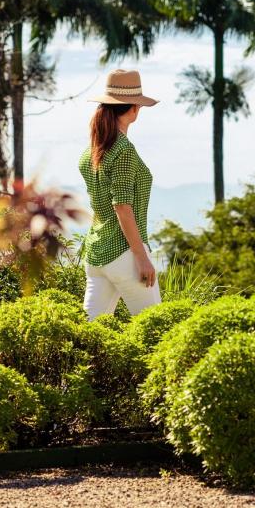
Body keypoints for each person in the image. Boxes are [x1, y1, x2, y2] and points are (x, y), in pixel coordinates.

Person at [79, 69, 161, 320]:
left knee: (92, 336)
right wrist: (142, 258)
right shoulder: (123, 149)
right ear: (134, 108)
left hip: (96, 255)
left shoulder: (93, 150)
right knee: (156, 328)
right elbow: (122, 207)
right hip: (125, 255)